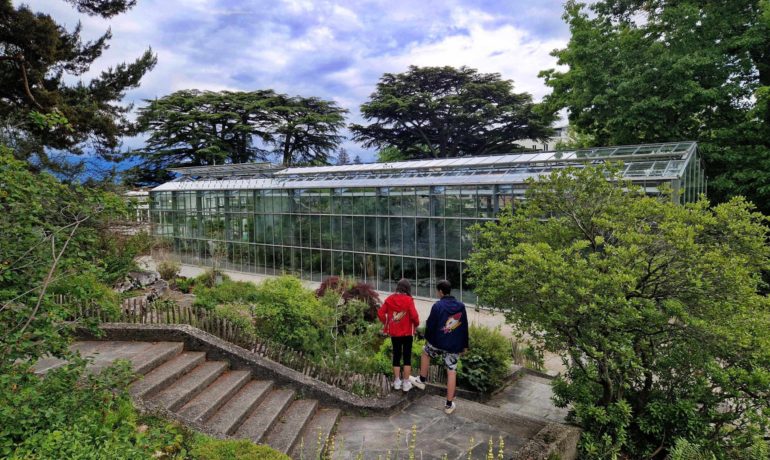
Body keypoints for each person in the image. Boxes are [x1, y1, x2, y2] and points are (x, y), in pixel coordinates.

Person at [409, 279, 469, 414]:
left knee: (425, 352)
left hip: (438, 343)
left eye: (437, 291)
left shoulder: (437, 306)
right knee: (452, 371)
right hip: (453, 345)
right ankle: (449, 405)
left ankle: (421, 380)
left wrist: (427, 340)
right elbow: (464, 327)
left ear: (441, 292)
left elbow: (430, 325)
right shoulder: (461, 306)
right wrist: (464, 345)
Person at [378, 278, 420, 392]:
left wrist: (386, 322)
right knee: (407, 357)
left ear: (398, 287)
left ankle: (397, 382)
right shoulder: (409, 300)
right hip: (407, 333)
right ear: (407, 289)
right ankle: (406, 384)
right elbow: (414, 316)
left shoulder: (390, 299)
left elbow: (380, 313)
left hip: (395, 333)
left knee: (396, 355)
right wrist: (416, 324)